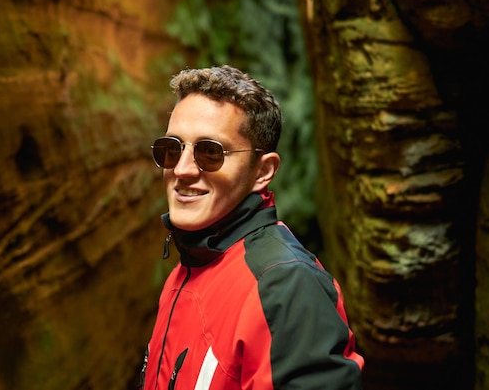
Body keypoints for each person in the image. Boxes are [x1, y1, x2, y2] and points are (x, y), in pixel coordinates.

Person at [139, 65, 364, 390]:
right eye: (172, 149)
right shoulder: (189, 267)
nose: (182, 169)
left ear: (263, 171)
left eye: (210, 153)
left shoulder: (285, 287)